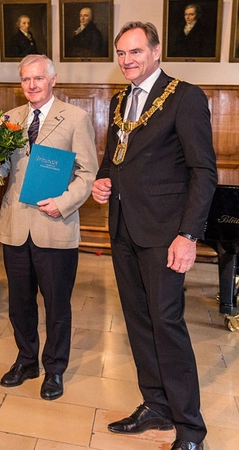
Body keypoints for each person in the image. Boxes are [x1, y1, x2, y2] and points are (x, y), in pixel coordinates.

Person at [92, 22, 217, 450]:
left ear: (156, 51)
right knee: (139, 322)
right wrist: (102, 181)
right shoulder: (119, 100)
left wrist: (188, 234)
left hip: (166, 234)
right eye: (121, 53)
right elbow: (115, 158)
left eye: (135, 51)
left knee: (166, 324)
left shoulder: (186, 97)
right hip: (124, 228)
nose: (127, 60)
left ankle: (190, 428)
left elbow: (204, 171)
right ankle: (156, 406)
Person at [0, 54, 98, 400]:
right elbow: (5, 170)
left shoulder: (76, 118)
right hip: (15, 226)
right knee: (19, 303)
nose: (32, 85)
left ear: (53, 79)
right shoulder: (9, 120)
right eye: (26, 80)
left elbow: (87, 173)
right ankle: (27, 360)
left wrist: (62, 204)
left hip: (54, 225)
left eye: (38, 79)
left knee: (57, 305)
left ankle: (55, 369)